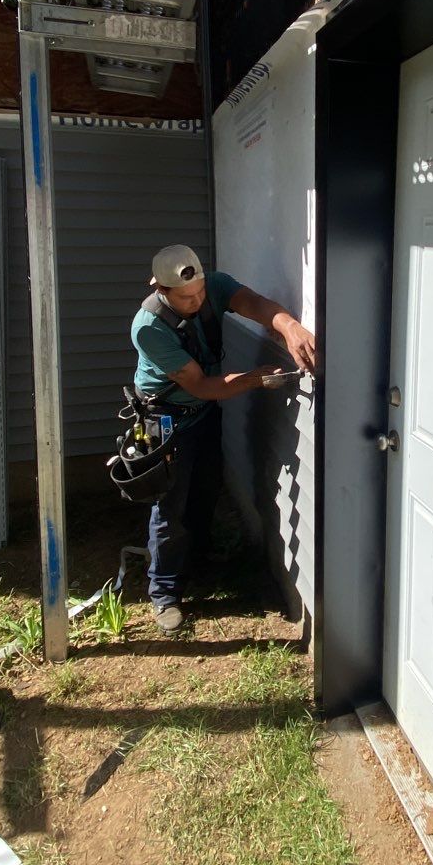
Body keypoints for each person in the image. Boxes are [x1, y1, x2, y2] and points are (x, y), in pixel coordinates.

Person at [130, 244, 316, 632]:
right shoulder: (148, 327)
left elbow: (253, 303)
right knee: (170, 510)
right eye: (185, 298)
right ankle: (164, 593)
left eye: (200, 292)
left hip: (202, 414)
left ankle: (197, 561)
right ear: (161, 290)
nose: (197, 301)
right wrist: (253, 379)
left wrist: (289, 326)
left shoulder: (211, 286)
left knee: (206, 487)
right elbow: (200, 385)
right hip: (166, 419)